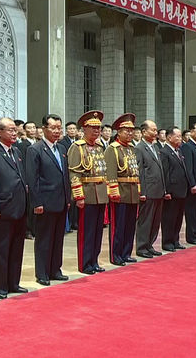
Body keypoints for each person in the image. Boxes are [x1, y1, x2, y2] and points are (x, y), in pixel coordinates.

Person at [0, 117, 28, 299]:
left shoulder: (16, 151)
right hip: (2, 208)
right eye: (10, 130)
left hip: (19, 206)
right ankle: (0, 286)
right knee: (1, 249)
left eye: (15, 130)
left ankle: (13, 282)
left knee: (17, 248)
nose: (14, 133)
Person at [26, 114, 71, 285]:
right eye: (53, 128)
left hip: (61, 201)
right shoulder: (35, 149)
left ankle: (55, 269)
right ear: (44, 129)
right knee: (44, 240)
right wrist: (37, 202)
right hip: (44, 202)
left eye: (59, 128)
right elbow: (33, 178)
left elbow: (65, 175)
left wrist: (68, 198)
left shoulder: (61, 149)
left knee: (58, 238)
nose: (57, 131)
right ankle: (42, 273)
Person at [67, 111, 108, 274]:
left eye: (98, 128)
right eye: (93, 128)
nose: (96, 131)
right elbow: (74, 174)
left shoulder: (99, 147)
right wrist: (79, 196)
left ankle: (94, 260)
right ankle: (85, 263)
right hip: (87, 194)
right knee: (87, 232)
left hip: (100, 194)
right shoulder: (77, 147)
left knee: (98, 231)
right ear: (84, 129)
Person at [104, 114, 140, 264]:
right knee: (118, 226)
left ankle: (126, 252)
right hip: (120, 191)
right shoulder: (113, 149)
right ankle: (116, 255)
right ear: (118, 132)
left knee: (130, 225)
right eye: (127, 131)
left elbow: (135, 171)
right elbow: (110, 173)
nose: (130, 133)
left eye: (132, 131)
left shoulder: (131, 148)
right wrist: (113, 192)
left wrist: (138, 190)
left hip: (132, 192)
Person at [134, 120, 167, 258]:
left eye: (156, 130)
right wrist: (142, 191)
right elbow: (140, 171)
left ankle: (150, 244)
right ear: (143, 132)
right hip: (148, 191)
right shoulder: (139, 148)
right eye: (153, 130)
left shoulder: (155, 147)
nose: (155, 133)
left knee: (155, 220)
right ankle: (142, 247)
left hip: (158, 190)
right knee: (145, 220)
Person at [160, 126, 189, 249]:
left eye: (180, 136)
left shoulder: (179, 151)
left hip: (181, 190)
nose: (179, 139)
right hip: (171, 191)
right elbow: (165, 173)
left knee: (178, 218)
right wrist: (166, 190)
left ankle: (175, 240)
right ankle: (167, 242)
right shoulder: (164, 152)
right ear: (169, 137)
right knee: (169, 218)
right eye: (177, 136)